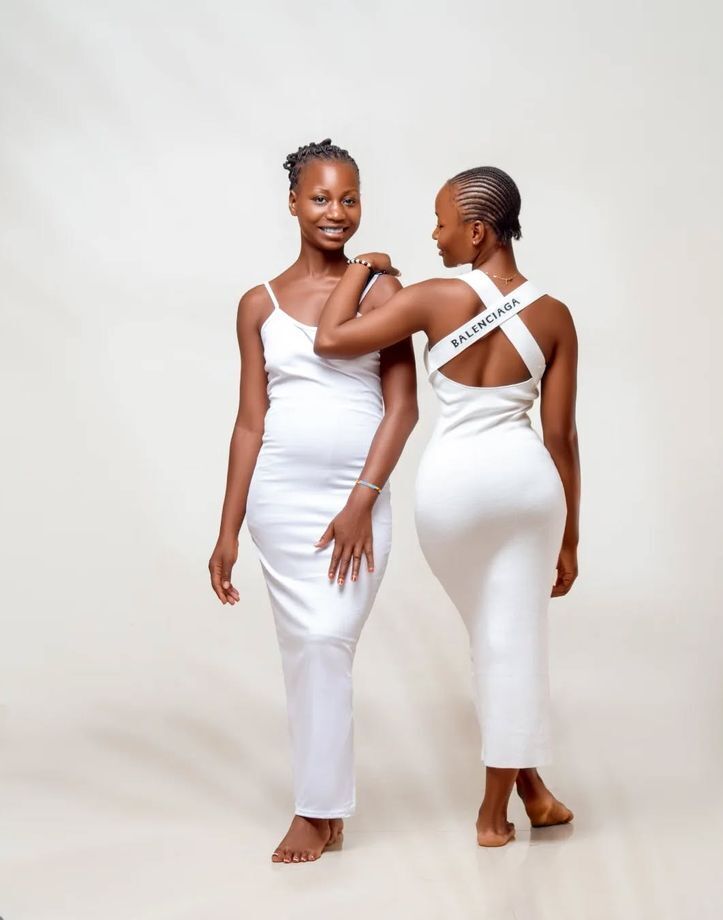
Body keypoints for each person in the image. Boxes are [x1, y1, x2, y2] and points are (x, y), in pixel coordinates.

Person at [314, 166, 579, 847]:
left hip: (454, 491)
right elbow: (560, 438)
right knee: (508, 638)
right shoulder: (554, 315)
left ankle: (502, 810)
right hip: (528, 490)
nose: (435, 235)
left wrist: (363, 268)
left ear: (478, 231)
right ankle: (524, 796)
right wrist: (571, 536)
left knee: (497, 637)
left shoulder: (434, 298)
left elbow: (331, 338)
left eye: (442, 222)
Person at [208, 140, 418, 863]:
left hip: (355, 499)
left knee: (327, 639)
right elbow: (249, 422)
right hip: (280, 502)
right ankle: (320, 810)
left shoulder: (383, 293)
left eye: (349, 198)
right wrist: (228, 528)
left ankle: (318, 808)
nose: (337, 212)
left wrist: (362, 501)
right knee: (305, 650)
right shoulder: (257, 305)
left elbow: (403, 409)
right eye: (321, 197)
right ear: (294, 203)